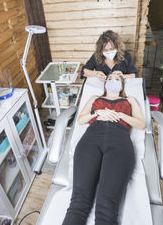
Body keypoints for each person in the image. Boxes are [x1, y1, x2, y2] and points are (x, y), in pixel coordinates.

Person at [62, 74, 145, 225]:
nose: (113, 80)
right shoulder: (95, 98)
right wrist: (97, 113)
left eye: (117, 79)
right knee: (78, 203)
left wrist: (119, 115)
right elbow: (80, 120)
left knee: (107, 207)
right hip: (91, 138)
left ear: (122, 85)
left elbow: (141, 124)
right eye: (110, 78)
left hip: (119, 141)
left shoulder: (129, 100)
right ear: (105, 84)